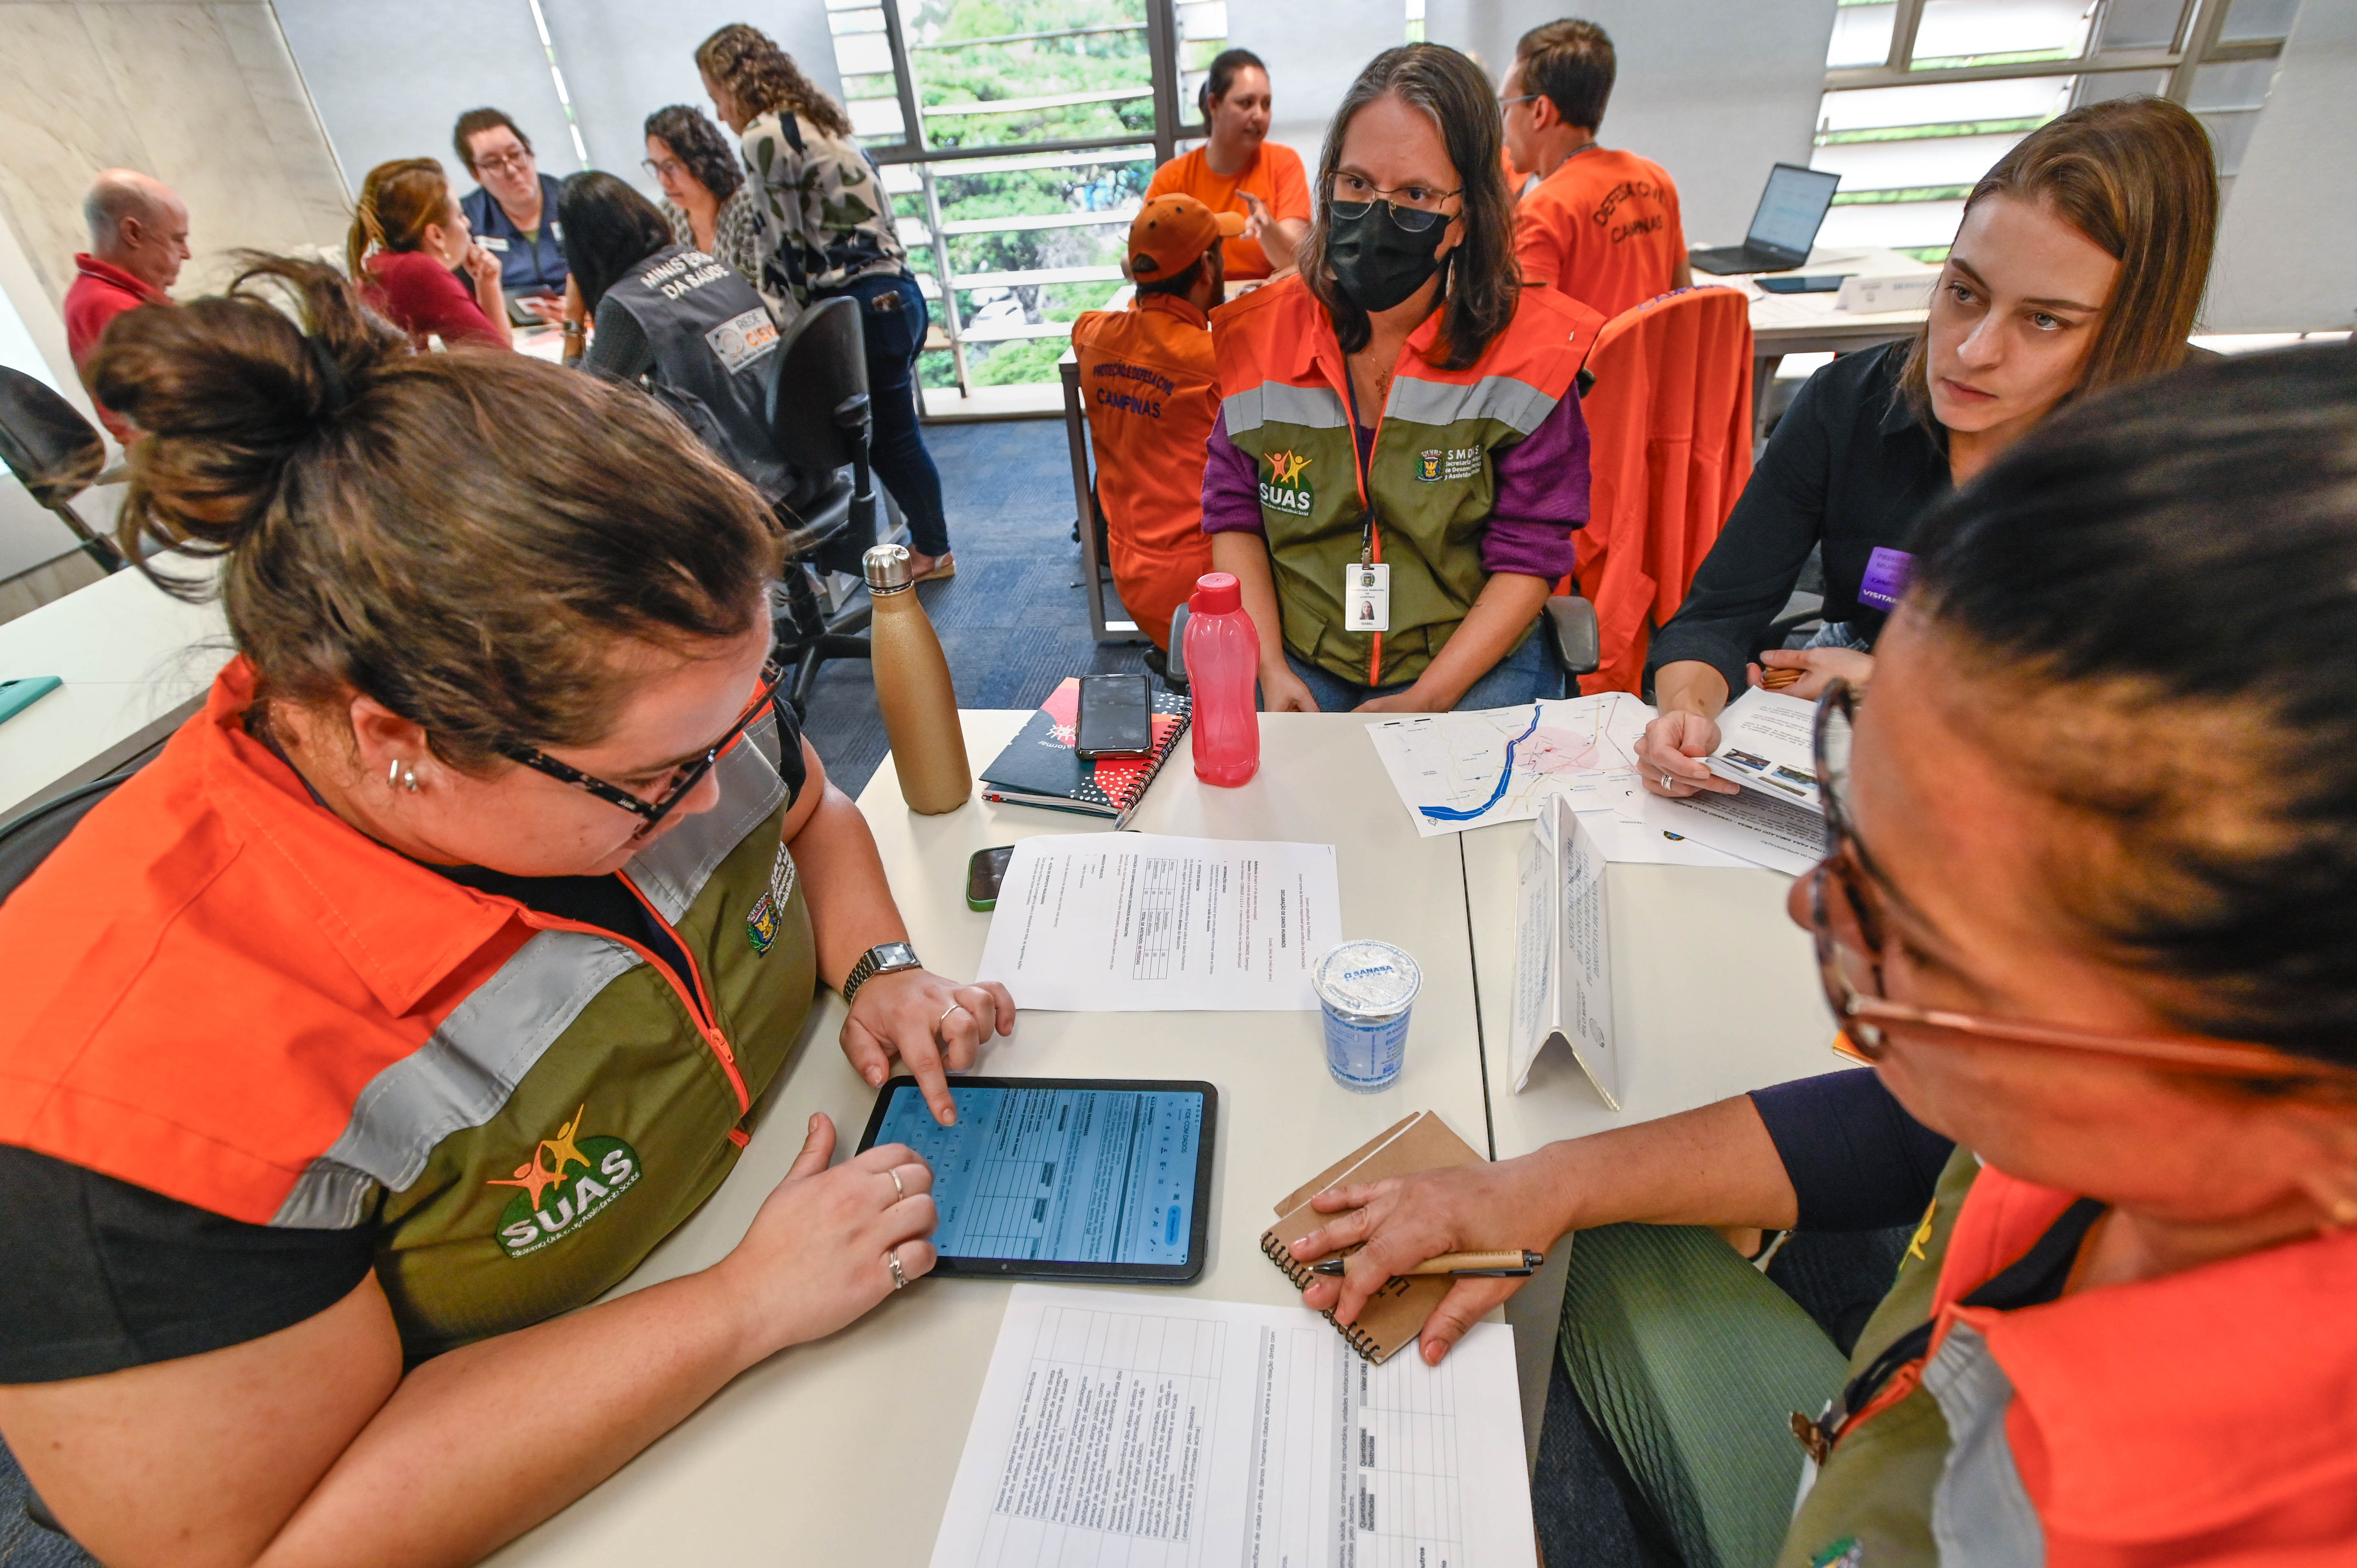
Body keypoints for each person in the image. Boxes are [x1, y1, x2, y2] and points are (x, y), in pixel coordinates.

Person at [0, 256, 1016, 1566]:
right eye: (662, 779)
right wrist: (735, 1308)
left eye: (748, 707)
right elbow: (269, 1543)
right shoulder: (113, 1080)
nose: (726, 785)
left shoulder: (668, 713)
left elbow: (813, 815)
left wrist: (878, 962)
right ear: (397, 738)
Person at [1278, 344, 2357, 1565]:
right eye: (1853, 787)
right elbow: (1928, 1132)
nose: (1812, 900)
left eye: (1926, 900)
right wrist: (1550, 1184)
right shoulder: (2131, 1117)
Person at [1639, 96, 2217, 799]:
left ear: (2131, 333)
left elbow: (2185, 732)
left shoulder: (2203, 456)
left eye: (2042, 320)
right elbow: (1714, 619)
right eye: (1964, 292)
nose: (1972, 352)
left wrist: (1894, 683)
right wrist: (1685, 714)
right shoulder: (1847, 404)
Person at [1202, 45, 1604, 714]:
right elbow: (1234, 514)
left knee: (1460, 815)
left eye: (1415, 194)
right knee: (1274, 807)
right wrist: (1266, 665)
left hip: (1464, 657)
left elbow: (1529, 554)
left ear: (1461, 223)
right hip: (1303, 653)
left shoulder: (1528, 355)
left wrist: (1428, 696)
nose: (1378, 215)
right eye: (1356, 184)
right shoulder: (1259, 337)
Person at [698, 23, 957, 582]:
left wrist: (783, 341)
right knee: (893, 434)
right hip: (897, 297)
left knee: (889, 440)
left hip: (859, 304)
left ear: (733, 83)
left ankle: (932, 550)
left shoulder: (765, 135)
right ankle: (929, 543)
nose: (718, 113)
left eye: (716, 96)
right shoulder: (817, 121)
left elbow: (785, 248)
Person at [1070, 195, 1243, 650]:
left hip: (1129, 574)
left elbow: (1086, 327)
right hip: (1203, 589)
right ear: (1208, 265)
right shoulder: (1216, 361)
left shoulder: (1093, 336)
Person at [560, 170, 792, 504]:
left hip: (751, 490)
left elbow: (580, 408)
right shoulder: (704, 260)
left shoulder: (629, 302)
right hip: (799, 457)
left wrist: (573, 324)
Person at [1503, 19, 1691, 317]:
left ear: (1540, 111)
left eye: (1506, 106)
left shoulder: (1542, 211)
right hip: (1649, 366)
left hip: (1584, 366)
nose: (1503, 123)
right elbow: (1685, 305)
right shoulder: (1655, 180)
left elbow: (1525, 343)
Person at [1145, 49, 1312, 282]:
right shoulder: (1172, 178)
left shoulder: (1284, 162)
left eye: (1266, 104)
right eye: (1246, 103)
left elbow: (1297, 261)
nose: (1259, 115)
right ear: (1213, 104)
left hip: (1267, 307)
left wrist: (1267, 228)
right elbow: (1146, 262)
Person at [63, 169, 188, 441]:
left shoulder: (100, 293)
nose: (187, 254)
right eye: (177, 239)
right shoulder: (108, 306)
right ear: (132, 233)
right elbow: (173, 406)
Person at [348, 157, 513, 351]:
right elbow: (499, 359)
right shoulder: (417, 271)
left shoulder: (384, 264)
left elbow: (499, 360)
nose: (468, 223)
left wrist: (487, 282)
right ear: (436, 235)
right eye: (460, 216)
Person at [453, 107, 568, 317]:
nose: (512, 170)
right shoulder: (464, 221)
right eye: (493, 163)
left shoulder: (574, 201)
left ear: (530, 153)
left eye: (516, 155)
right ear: (475, 173)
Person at [644, 103, 761, 287]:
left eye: (671, 166)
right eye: (656, 167)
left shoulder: (746, 209)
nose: (664, 181)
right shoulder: (665, 217)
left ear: (701, 161)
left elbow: (756, 292)